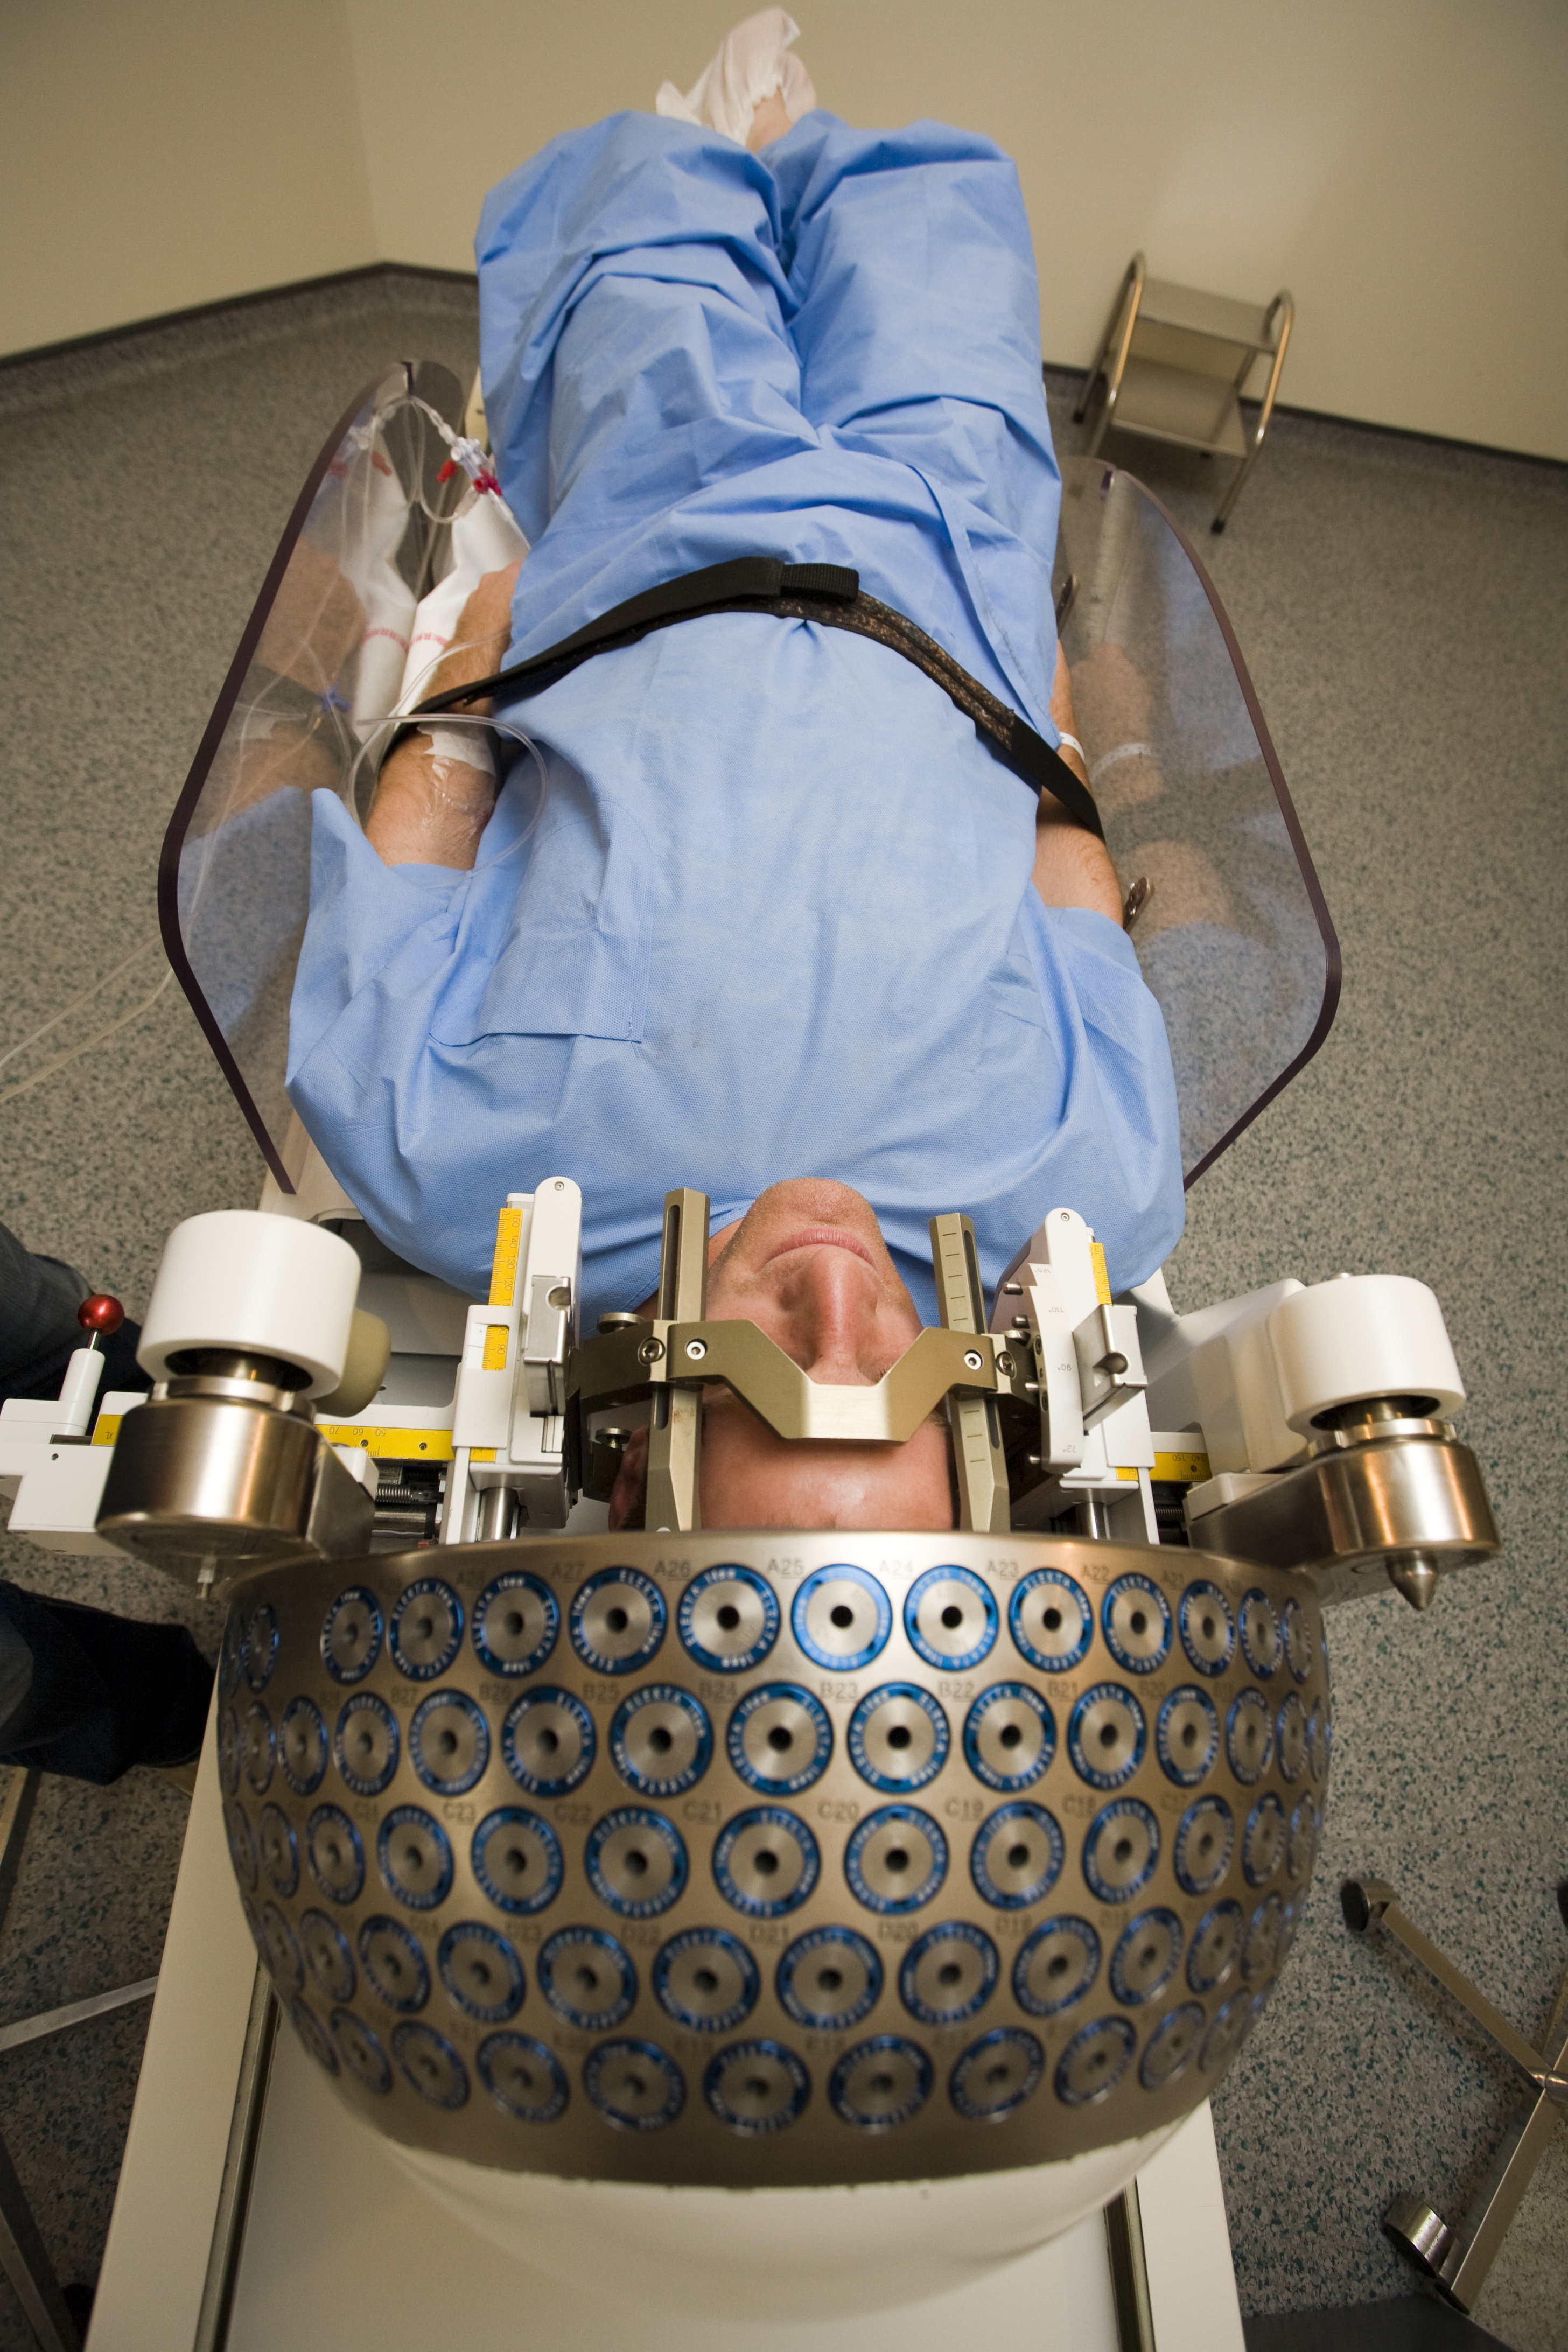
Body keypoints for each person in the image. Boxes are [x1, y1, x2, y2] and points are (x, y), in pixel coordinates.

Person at [287, 15, 1184, 1529]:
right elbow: (1078, 897)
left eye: (773, 1376)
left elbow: (421, 844)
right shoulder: (1091, 1185)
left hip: (660, 517)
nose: (841, 1308)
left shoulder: (447, 1166)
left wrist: (468, 675)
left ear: (635, 1446)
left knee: (661, 212)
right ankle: (808, 150)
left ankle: (730, 146)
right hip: (943, 550)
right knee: (936, 215)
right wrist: (1057, 719)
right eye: (904, 1383)